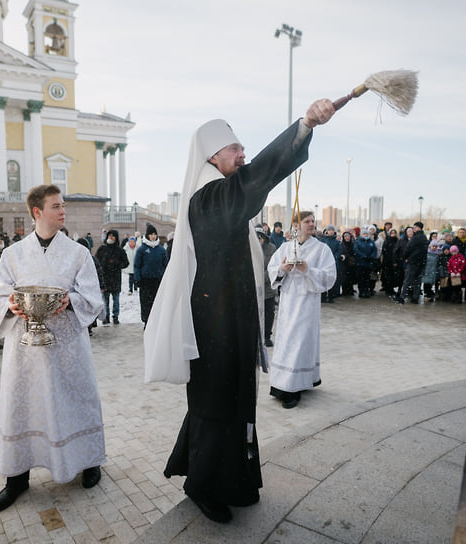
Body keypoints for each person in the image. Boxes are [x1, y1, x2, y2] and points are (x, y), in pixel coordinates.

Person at [144, 100, 335, 523]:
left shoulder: (219, 193)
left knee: (231, 401)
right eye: (235, 148)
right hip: (214, 326)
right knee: (216, 404)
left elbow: (249, 179)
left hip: (229, 320)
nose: (242, 154)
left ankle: (235, 479)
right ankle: (203, 486)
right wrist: (302, 126)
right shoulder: (209, 196)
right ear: (213, 156)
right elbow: (256, 178)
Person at [0, 184, 106, 513]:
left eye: (63, 205)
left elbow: (93, 297)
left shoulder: (79, 253)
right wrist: (10, 305)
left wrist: (71, 302)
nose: (62, 210)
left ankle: (88, 461)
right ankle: (16, 478)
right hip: (24, 349)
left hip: (67, 346)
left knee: (75, 399)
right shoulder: (13, 254)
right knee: (22, 405)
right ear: (37, 212)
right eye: (56, 206)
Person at [267, 211, 336, 408]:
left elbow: (329, 276)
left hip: (307, 302)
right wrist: (283, 269)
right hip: (289, 302)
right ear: (296, 225)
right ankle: (282, 384)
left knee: (301, 341)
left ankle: (293, 387)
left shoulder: (322, 249)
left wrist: (307, 270)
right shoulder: (287, 247)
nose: (311, 224)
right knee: (286, 341)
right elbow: (273, 270)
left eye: (313, 221)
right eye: (307, 221)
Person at [134, 224, 168, 327]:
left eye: (155, 234)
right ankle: (147, 322)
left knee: (157, 303)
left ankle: (157, 323)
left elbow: (166, 265)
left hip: (158, 281)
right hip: (146, 281)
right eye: (151, 234)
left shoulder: (161, 250)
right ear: (147, 235)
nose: (153, 236)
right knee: (145, 303)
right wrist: (138, 279)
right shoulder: (142, 249)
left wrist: (166, 279)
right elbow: (136, 266)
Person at [95, 229, 129, 324]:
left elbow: (126, 263)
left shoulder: (120, 250)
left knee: (116, 300)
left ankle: (115, 316)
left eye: (113, 236)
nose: (111, 237)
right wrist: (104, 263)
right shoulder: (102, 249)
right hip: (105, 278)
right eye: (109, 235)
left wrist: (116, 264)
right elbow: (97, 261)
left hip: (115, 278)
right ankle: (106, 316)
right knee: (105, 300)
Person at [394, 222, 428, 304]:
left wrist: (405, 257)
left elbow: (408, 248)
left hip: (413, 261)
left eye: (414, 227)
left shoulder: (415, 238)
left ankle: (402, 297)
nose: (413, 229)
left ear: (417, 227)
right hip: (422, 262)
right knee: (417, 280)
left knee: (407, 280)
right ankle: (415, 298)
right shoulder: (424, 237)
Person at [255, 226, 278, 344]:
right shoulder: (248, 248)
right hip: (254, 288)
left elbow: (272, 268)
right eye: (256, 237)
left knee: (269, 313)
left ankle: (267, 336)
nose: (259, 239)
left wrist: (259, 278)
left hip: (268, 287)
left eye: (260, 237)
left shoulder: (271, 248)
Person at [320, 225, 342, 303]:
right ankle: (322, 296)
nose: (331, 232)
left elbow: (339, 251)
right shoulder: (323, 241)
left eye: (332, 230)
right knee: (323, 280)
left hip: (333, 263)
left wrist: (334, 257)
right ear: (327, 231)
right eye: (329, 230)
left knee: (331, 279)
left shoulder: (336, 242)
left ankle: (331, 296)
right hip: (323, 263)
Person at [353, 226, 377, 298]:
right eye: (364, 234)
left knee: (367, 278)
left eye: (366, 234)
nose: (365, 235)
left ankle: (366, 291)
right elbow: (356, 250)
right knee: (361, 278)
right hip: (360, 263)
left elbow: (374, 250)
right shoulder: (358, 241)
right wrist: (363, 256)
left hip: (368, 263)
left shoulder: (371, 242)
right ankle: (361, 291)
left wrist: (371, 256)